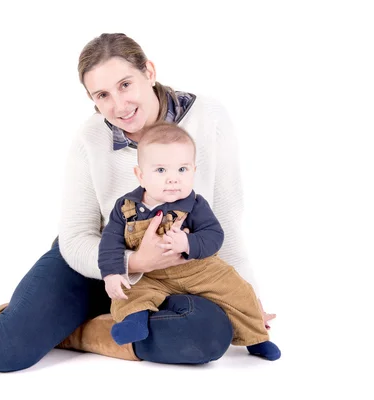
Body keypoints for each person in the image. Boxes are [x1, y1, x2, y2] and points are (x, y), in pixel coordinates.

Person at [0, 33, 276, 372]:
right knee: (3, 350)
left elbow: (227, 213)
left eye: (125, 84)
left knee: (210, 336)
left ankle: (77, 333)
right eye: (101, 96)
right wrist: (131, 261)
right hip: (94, 258)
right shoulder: (90, 139)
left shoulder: (208, 117)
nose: (118, 105)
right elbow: (76, 236)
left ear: (149, 70)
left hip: (180, 271)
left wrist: (248, 294)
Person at [99, 121, 280, 361]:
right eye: (161, 170)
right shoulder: (126, 208)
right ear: (140, 175)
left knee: (239, 292)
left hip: (199, 270)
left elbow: (215, 236)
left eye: (182, 170)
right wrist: (111, 273)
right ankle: (134, 321)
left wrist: (188, 243)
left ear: (194, 171)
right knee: (127, 294)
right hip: (149, 275)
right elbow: (110, 243)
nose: (173, 179)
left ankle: (256, 337)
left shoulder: (195, 205)